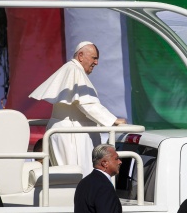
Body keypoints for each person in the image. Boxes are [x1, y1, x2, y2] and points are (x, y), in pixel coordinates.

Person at [29, 41, 126, 176]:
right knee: (78, 176)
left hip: (65, 133)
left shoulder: (70, 69)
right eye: (94, 58)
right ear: (80, 56)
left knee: (68, 177)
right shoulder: (74, 70)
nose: (96, 63)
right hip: (72, 137)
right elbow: (87, 103)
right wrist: (113, 120)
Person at [74, 144, 122, 213]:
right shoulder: (104, 187)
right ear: (104, 163)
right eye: (116, 158)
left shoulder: (83, 182)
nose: (120, 162)